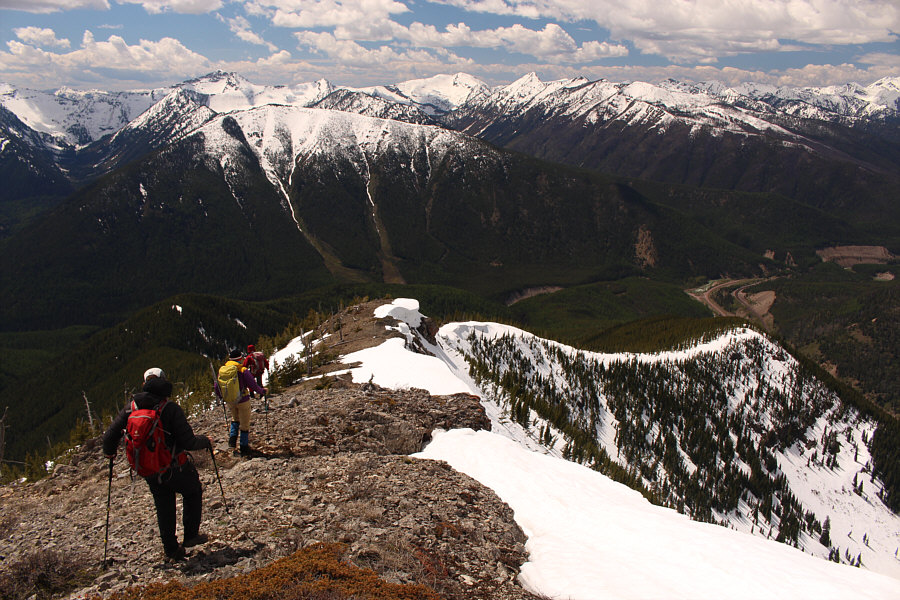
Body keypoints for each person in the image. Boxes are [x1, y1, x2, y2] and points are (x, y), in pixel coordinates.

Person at [102, 367, 212, 560]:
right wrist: (206, 440)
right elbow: (189, 442)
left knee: (163, 504)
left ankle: (171, 549)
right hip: (174, 466)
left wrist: (110, 453)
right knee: (192, 490)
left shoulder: (132, 407)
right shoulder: (169, 408)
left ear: (144, 384)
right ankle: (191, 535)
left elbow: (110, 436)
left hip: (147, 468)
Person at [216, 348, 267, 457]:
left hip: (230, 400)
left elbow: (217, 386)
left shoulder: (223, 370)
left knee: (235, 419)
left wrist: (222, 397)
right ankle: (244, 447)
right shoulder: (242, 370)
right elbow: (252, 385)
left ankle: (232, 442)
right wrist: (262, 391)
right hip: (243, 399)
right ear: (240, 358)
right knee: (244, 424)